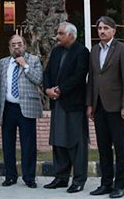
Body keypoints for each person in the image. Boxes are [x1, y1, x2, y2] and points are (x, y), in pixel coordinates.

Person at [86, 16, 124, 198]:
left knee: (120, 148)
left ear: (114, 31)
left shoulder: (123, 50)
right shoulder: (94, 50)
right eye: (99, 28)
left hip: (116, 107)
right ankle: (105, 183)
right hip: (99, 106)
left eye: (106, 28)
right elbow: (92, 78)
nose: (102, 31)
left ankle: (119, 185)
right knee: (103, 148)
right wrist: (90, 103)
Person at [43, 22, 90, 193]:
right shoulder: (56, 51)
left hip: (74, 105)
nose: (57, 36)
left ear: (71, 35)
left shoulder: (82, 52)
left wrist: (60, 89)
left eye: (61, 33)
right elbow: (47, 73)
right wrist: (47, 89)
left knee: (76, 144)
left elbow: (79, 76)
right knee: (59, 141)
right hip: (58, 104)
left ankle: (78, 180)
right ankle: (61, 178)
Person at [0, 34, 43, 188]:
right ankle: (10, 176)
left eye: (19, 44)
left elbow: (39, 80)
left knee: (28, 144)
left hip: (27, 107)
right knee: (7, 144)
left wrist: (25, 65)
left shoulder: (34, 60)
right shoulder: (2, 63)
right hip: (8, 108)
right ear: (9, 47)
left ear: (25, 45)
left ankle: (29, 177)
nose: (16, 47)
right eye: (13, 45)